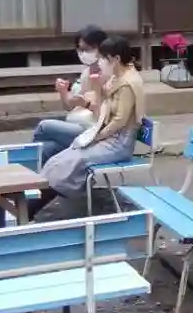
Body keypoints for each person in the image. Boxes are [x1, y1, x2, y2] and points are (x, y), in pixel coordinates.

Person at [32, 36, 145, 220]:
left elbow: (119, 121)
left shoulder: (127, 84)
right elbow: (102, 108)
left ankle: (38, 205)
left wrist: (97, 136)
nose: (100, 62)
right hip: (106, 135)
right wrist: (98, 88)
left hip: (118, 143)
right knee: (59, 158)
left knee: (72, 160)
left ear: (116, 59)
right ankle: (37, 202)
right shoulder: (117, 77)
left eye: (104, 58)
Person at [32, 26, 109, 163]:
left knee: (44, 127)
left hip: (91, 131)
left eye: (88, 49)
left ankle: (31, 165)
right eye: (80, 49)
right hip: (76, 125)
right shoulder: (87, 72)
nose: (83, 53)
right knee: (45, 149)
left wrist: (88, 103)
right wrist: (63, 92)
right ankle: (37, 174)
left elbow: (102, 113)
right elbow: (70, 106)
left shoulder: (107, 74)